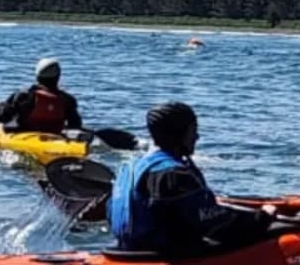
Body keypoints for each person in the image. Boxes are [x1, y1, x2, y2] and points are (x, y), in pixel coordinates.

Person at [109, 102, 271, 254]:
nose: (197, 137)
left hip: (128, 250)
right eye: (193, 131)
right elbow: (218, 228)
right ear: (178, 135)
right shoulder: (173, 174)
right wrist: (263, 217)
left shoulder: (130, 167)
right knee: (282, 233)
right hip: (168, 254)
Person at [0, 58, 82, 134]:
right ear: (58, 77)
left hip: (25, 134)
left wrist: (0, 108)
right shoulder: (68, 100)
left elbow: (3, 116)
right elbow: (75, 124)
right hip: (54, 136)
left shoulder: (24, 96)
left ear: (38, 77)